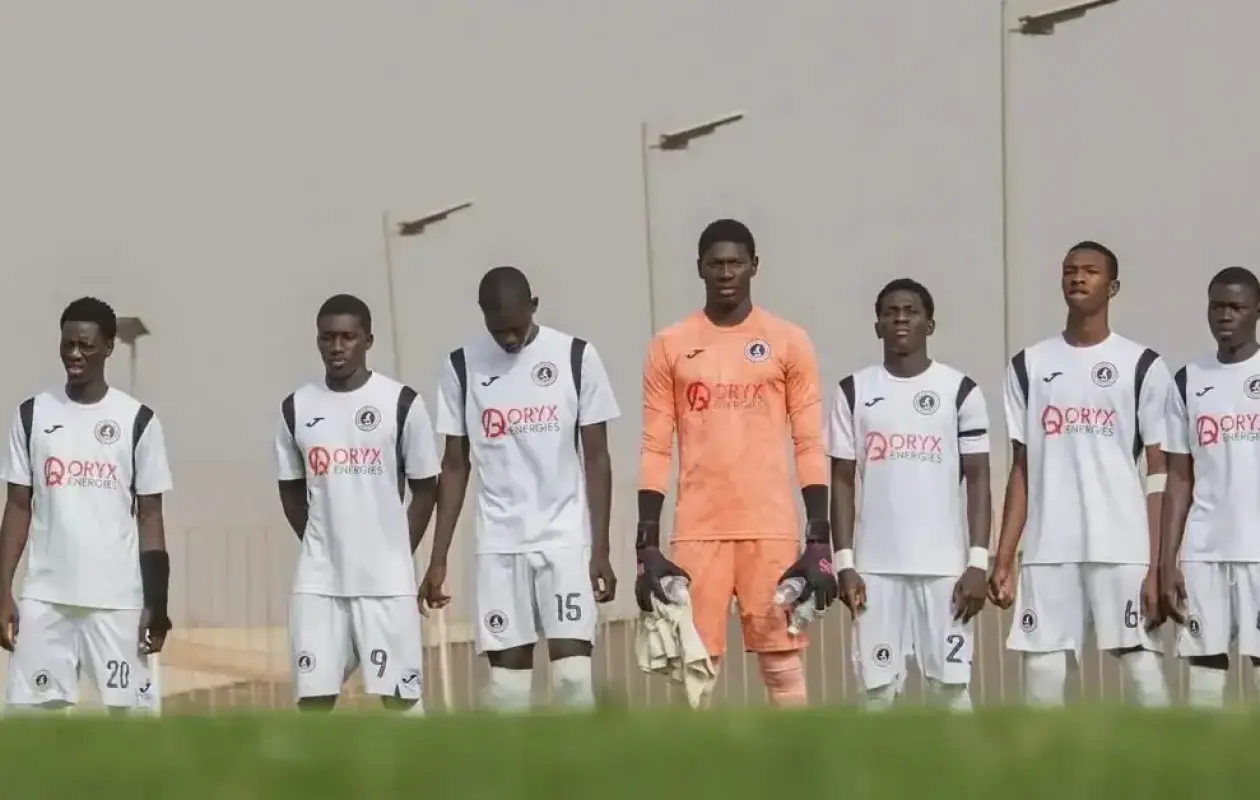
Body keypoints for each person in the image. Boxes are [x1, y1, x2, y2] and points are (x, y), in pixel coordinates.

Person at [634, 218, 837, 708]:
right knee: (695, 667)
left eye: (736, 263)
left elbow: (809, 442)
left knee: (781, 662)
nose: (726, 273)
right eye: (716, 264)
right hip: (698, 530)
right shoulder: (671, 344)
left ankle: (798, 777)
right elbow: (655, 446)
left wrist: (818, 538)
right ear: (700, 269)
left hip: (768, 526)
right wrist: (646, 543)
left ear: (754, 267)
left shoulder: (788, 341)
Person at [420, 266, 620, 712]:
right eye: (497, 330)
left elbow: (598, 458)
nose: (507, 339)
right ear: (483, 316)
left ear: (534, 306)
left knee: (573, 684)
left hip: (564, 543)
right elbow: (454, 466)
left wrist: (600, 549)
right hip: (500, 546)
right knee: (508, 694)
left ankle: (580, 779)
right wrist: (438, 559)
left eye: (515, 327)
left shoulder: (575, 357)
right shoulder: (461, 366)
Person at [990, 241, 1171, 707]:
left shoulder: (1143, 365)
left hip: (1122, 545)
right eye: (1070, 270)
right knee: (1043, 672)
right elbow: (1022, 466)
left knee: (1140, 664)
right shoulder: (1028, 366)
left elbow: (1159, 471)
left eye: (1090, 271)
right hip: (1050, 548)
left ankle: (1165, 770)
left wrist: (1158, 562)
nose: (1078, 278)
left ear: (1111, 286)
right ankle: (1041, 775)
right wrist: (1004, 553)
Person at [0, 297, 172, 714]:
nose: (74, 355)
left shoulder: (138, 421)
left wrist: (158, 601)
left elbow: (150, 515)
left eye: (86, 346)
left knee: (132, 723)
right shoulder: (32, 415)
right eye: (67, 345)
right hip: (47, 599)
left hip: (117, 602)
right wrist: (2, 589)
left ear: (109, 347)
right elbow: (18, 507)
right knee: (32, 726)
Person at [828, 278, 991, 711]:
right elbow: (842, 482)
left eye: (911, 311)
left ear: (930, 324)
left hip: (946, 569)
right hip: (875, 570)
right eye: (891, 312)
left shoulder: (961, 391)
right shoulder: (853, 391)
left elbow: (979, 479)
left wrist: (978, 563)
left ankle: (969, 779)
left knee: (951, 691)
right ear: (878, 325)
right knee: (877, 695)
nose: (901, 319)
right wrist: (845, 564)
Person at [274, 293, 439, 712]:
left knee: (401, 703)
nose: (337, 347)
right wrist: (320, 540)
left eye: (348, 337)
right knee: (313, 703)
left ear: (368, 340)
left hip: (385, 583)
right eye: (328, 337)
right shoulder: (296, 407)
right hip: (319, 582)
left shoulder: (401, 403)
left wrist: (397, 548)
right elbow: (290, 488)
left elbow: (426, 487)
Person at [1161, 266, 1260, 707]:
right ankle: (1208, 772)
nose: (1225, 316)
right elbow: (1179, 476)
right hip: (1205, 550)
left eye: (1236, 307)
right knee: (1204, 670)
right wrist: (1167, 561)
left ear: (1257, 311)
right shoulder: (1187, 380)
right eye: (1217, 306)